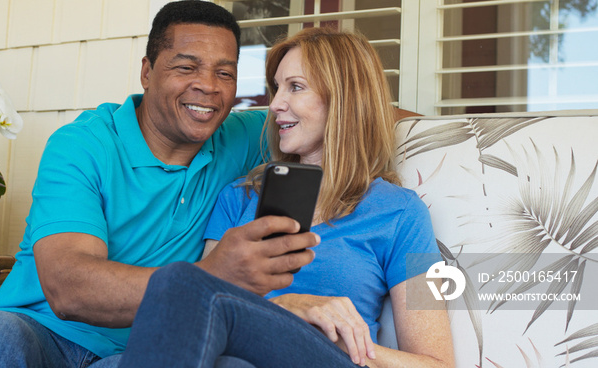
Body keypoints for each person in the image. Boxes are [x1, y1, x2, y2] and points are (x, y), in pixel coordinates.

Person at [0, 1, 319, 367]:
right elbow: (70, 289)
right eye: (186, 67)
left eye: (225, 72)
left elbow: (332, 117)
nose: (209, 86)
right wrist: (212, 275)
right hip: (39, 332)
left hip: (141, 349)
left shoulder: (243, 137)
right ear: (147, 72)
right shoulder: (83, 145)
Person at [118, 28, 454, 368]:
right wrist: (290, 305)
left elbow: (437, 364)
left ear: (344, 99)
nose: (276, 104)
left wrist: (341, 342)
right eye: (276, 88)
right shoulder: (238, 197)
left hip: (329, 358)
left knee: (180, 283)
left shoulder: (402, 214)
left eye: (295, 87)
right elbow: (202, 307)